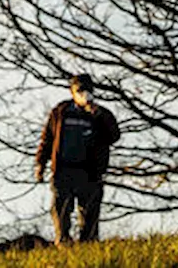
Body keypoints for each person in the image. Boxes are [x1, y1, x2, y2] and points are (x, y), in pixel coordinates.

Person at [35, 73, 120, 244]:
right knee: (61, 209)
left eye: (87, 90)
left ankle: (88, 244)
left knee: (90, 213)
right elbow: (47, 139)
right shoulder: (60, 112)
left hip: (90, 172)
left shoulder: (100, 114)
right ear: (72, 92)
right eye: (79, 90)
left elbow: (114, 136)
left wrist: (99, 115)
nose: (84, 94)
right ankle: (63, 242)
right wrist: (40, 164)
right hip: (63, 169)